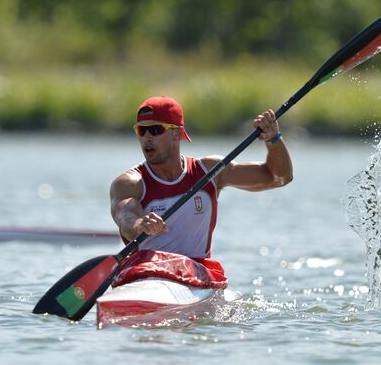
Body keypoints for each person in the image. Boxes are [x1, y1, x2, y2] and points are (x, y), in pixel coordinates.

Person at [109, 95, 293, 288]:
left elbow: (278, 177)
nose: (147, 137)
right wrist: (139, 224)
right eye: (141, 130)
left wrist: (273, 139)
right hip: (147, 273)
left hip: (195, 275)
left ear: (176, 133)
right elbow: (124, 215)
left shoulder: (210, 172)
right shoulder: (129, 183)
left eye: (155, 129)